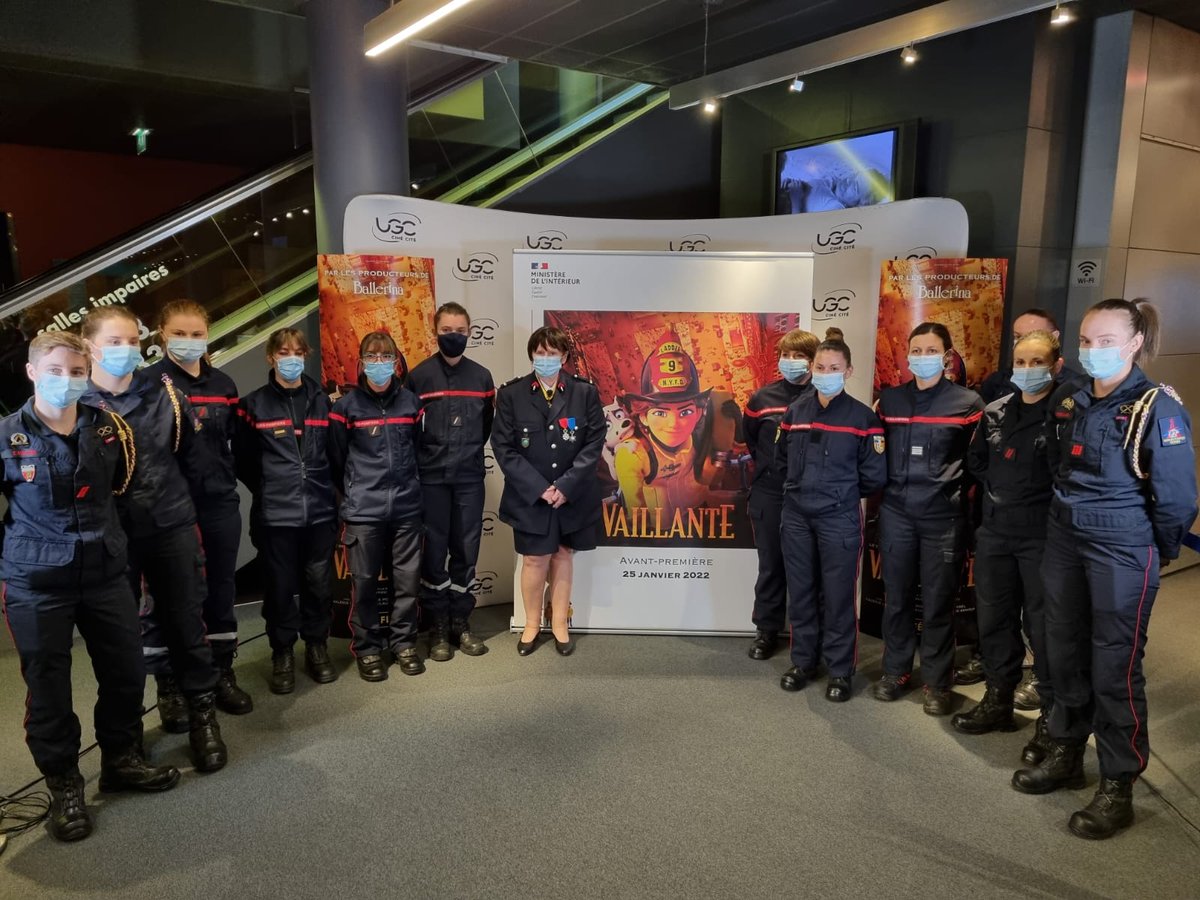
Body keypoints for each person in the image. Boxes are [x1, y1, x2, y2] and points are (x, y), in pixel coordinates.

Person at [1012, 298, 1197, 840]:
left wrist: (1152, 551)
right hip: (1065, 536)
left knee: (1114, 665)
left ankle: (1119, 782)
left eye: (1106, 341)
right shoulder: (1070, 399)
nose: (1093, 351)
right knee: (1061, 648)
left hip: (1123, 545)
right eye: (1086, 341)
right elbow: (1057, 464)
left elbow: (1178, 498)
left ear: (1135, 343)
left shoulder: (1156, 407)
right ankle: (1067, 750)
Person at [1, 333, 180, 842]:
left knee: (126, 671)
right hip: (37, 582)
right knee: (49, 688)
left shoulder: (109, 428)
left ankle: (122, 760)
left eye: (77, 371)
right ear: (33, 372)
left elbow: (121, 486)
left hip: (104, 570)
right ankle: (63, 785)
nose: (68, 380)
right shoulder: (6, 436)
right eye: (56, 370)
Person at [81, 305, 228, 772]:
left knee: (187, 622)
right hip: (112, 539)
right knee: (119, 641)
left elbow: (195, 461)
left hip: (171, 524)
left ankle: (203, 715)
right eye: (113, 342)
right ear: (89, 347)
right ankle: (127, 741)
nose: (125, 350)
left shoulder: (165, 392)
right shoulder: (76, 404)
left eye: (131, 340)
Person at [953, 331, 1061, 754]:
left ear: (1055, 364)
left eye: (1037, 362)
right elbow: (978, 462)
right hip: (996, 533)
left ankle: (1052, 721)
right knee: (994, 620)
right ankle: (998, 700)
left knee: (1043, 627)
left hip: (1043, 537)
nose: (1028, 370)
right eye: (1021, 361)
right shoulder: (996, 411)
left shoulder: (1065, 413)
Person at [144, 300, 251, 716]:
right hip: (168, 511)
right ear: (161, 334)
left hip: (219, 503)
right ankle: (169, 685)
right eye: (180, 334)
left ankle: (221, 671)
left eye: (196, 334)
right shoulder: (147, 384)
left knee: (221, 591)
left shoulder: (223, 384)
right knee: (168, 596)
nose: (189, 342)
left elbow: (234, 444)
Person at [874, 322, 984, 715]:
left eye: (930, 350)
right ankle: (896, 672)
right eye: (915, 350)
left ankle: (938, 682)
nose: (922, 357)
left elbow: (978, 464)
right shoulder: (890, 402)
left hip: (943, 517)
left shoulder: (968, 404)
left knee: (938, 602)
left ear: (948, 355)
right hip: (897, 514)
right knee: (897, 598)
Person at [776, 331, 887, 700]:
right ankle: (803, 661)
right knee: (802, 591)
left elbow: (873, 476)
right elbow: (781, 461)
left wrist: (836, 494)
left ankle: (840, 670)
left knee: (838, 595)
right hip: (796, 516)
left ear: (848, 370)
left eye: (833, 367)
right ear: (813, 368)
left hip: (838, 518)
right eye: (820, 366)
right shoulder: (796, 411)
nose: (825, 372)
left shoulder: (863, 418)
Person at [235, 328, 338, 692]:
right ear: (271, 357)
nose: (291, 357)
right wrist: (270, 489)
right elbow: (244, 461)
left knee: (319, 584)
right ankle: (282, 651)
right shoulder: (252, 405)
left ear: (306, 354)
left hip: (321, 512)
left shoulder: (323, 401)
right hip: (275, 515)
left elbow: (335, 456)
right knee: (278, 589)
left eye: (297, 350)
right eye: (283, 351)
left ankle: (316, 646)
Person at [493, 326, 604, 656]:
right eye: (540, 353)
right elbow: (502, 446)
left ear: (564, 357)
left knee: (562, 554)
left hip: (572, 494)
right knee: (534, 559)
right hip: (531, 496)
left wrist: (566, 486)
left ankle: (558, 624)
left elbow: (594, 441)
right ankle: (531, 624)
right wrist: (541, 488)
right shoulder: (512, 394)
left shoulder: (584, 393)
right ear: (532, 356)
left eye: (552, 354)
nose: (546, 359)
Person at [328, 331, 425, 682]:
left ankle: (403, 644)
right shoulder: (345, 408)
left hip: (406, 508)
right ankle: (367, 649)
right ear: (361, 360)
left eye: (386, 357)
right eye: (372, 356)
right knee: (365, 583)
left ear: (397, 362)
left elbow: (418, 451)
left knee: (407, 581)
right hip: (363, 511)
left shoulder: (411, 404)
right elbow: (337, 460)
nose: (379, 363)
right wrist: (355, 491)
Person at [407, 302, 496, 661]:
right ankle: (438, 627)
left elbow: (486, 426)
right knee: (434, 554)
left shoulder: (482, 378)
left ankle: (461, 622)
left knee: (466, 551)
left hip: (470, 479)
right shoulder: (418, 377)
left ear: (470, 331)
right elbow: (409, 430)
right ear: (435, 331)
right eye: (447, 331)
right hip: (431, 479)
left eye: (460, 330)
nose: (454, 336)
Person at [741, 327, 819, 661]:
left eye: (799, 356)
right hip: (769, 493)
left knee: (808, 567)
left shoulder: (823, 398)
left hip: (810, 497)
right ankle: (766, 630)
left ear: (813, 362)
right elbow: (752, 442)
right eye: (785, 355)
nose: (791, 361)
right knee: (771, 565)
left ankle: (808, 635)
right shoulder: (762, 399)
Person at [614, 330, 715, 516]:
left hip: (700, 524)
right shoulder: (634, 454)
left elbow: (708, 479)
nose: (674, 424)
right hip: (660, 536)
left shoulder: (701, 439)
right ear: (643, 415)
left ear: (699, 413)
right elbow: (636, 518)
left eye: (685, 412)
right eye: (660, 412)